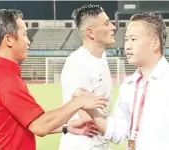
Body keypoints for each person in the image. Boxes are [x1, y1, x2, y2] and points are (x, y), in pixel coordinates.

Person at [0, 9, 107, 150]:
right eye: (25, 34)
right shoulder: (5, 79)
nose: (28, 40)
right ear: (9, 40)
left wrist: (66, 128)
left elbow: (29, 122)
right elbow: (40, 126)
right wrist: (79, 102)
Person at [83, 12, 169, 150]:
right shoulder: (128, 86)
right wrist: (91, 111)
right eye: (126, 39)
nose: (127, 46)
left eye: (133, 39)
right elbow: (118, 132)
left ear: (154, 43)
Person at [59, 4, 116, 150]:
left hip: (99, 143)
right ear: (91, 33)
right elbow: (86, 117)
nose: (113, 27)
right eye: (106, 23)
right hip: (83, 145)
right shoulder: (77, 62)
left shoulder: (101, 57)